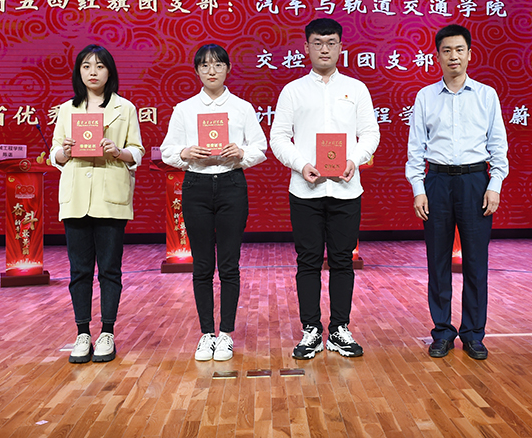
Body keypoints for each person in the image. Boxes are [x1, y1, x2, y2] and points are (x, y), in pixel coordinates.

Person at [270, 18, 380, 359]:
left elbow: (371, 133)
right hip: (306, 190)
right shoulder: (293, 90)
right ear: (306, 48)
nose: (324, 49)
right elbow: (278, 137)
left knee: (343, 261)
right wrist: (301, 164)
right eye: (317, 43)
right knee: (308, 261)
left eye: (331, 43)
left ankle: (340, 329)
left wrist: (354, 159)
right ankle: (311, 330)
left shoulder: (356, 89)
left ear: (341, 47)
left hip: (346, 189)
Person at [405, 24, 509, 360]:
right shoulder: (425, 97)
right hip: (437, 182)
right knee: (437, 261)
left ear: (469, 54)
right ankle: (442, 332)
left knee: (476, 262)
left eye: (459, 50)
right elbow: (415, 148)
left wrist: (494, 185)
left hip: (475, 181)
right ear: (437, 56)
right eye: (447, 50)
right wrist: (418, 188)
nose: (453, 56)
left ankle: (474, 334)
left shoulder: (486, 95)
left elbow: (498, 145)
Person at [160, 44, 267, 362]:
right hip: (197, 186)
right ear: (196, 71)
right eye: (205, 65)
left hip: (232, 184)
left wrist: (242, 153)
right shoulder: (184, 109)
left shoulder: (242, 108)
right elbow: (167, 151)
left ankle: (226, 334)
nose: (211, 71)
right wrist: (184, 153)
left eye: (218, 64)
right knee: (203, 265)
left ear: (228, 69)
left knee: (229, 264)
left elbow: (260, 147)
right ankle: (207, 333)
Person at [51, 44, 145, 364]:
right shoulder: (67, 109)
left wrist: (117, 151)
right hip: (76, 196)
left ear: (110, 72)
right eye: (87, 66)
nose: (93, 72)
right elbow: (55, 154)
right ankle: (82, 333)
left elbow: (137, 151)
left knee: (109, 269)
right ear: (79, 72)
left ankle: (107, 332)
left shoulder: (125, 108)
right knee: (79, 270)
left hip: (110, 197)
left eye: (100, 66)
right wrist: (64, 151)